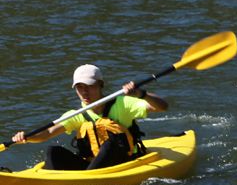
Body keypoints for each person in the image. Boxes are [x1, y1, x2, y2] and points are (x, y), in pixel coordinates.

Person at [10, 64, 167, 170]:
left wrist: (141, 94)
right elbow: (48, 133)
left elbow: (161, 107)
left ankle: (87, 181)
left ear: (100, 85)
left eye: (89, 86)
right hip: (93, 166)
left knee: (110, 144)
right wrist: (26, 137)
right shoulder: (77, 115)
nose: (84, 92)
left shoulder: (123, 103)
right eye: (79, 87)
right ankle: (49, 182)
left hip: (124, 161)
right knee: (53, 152)